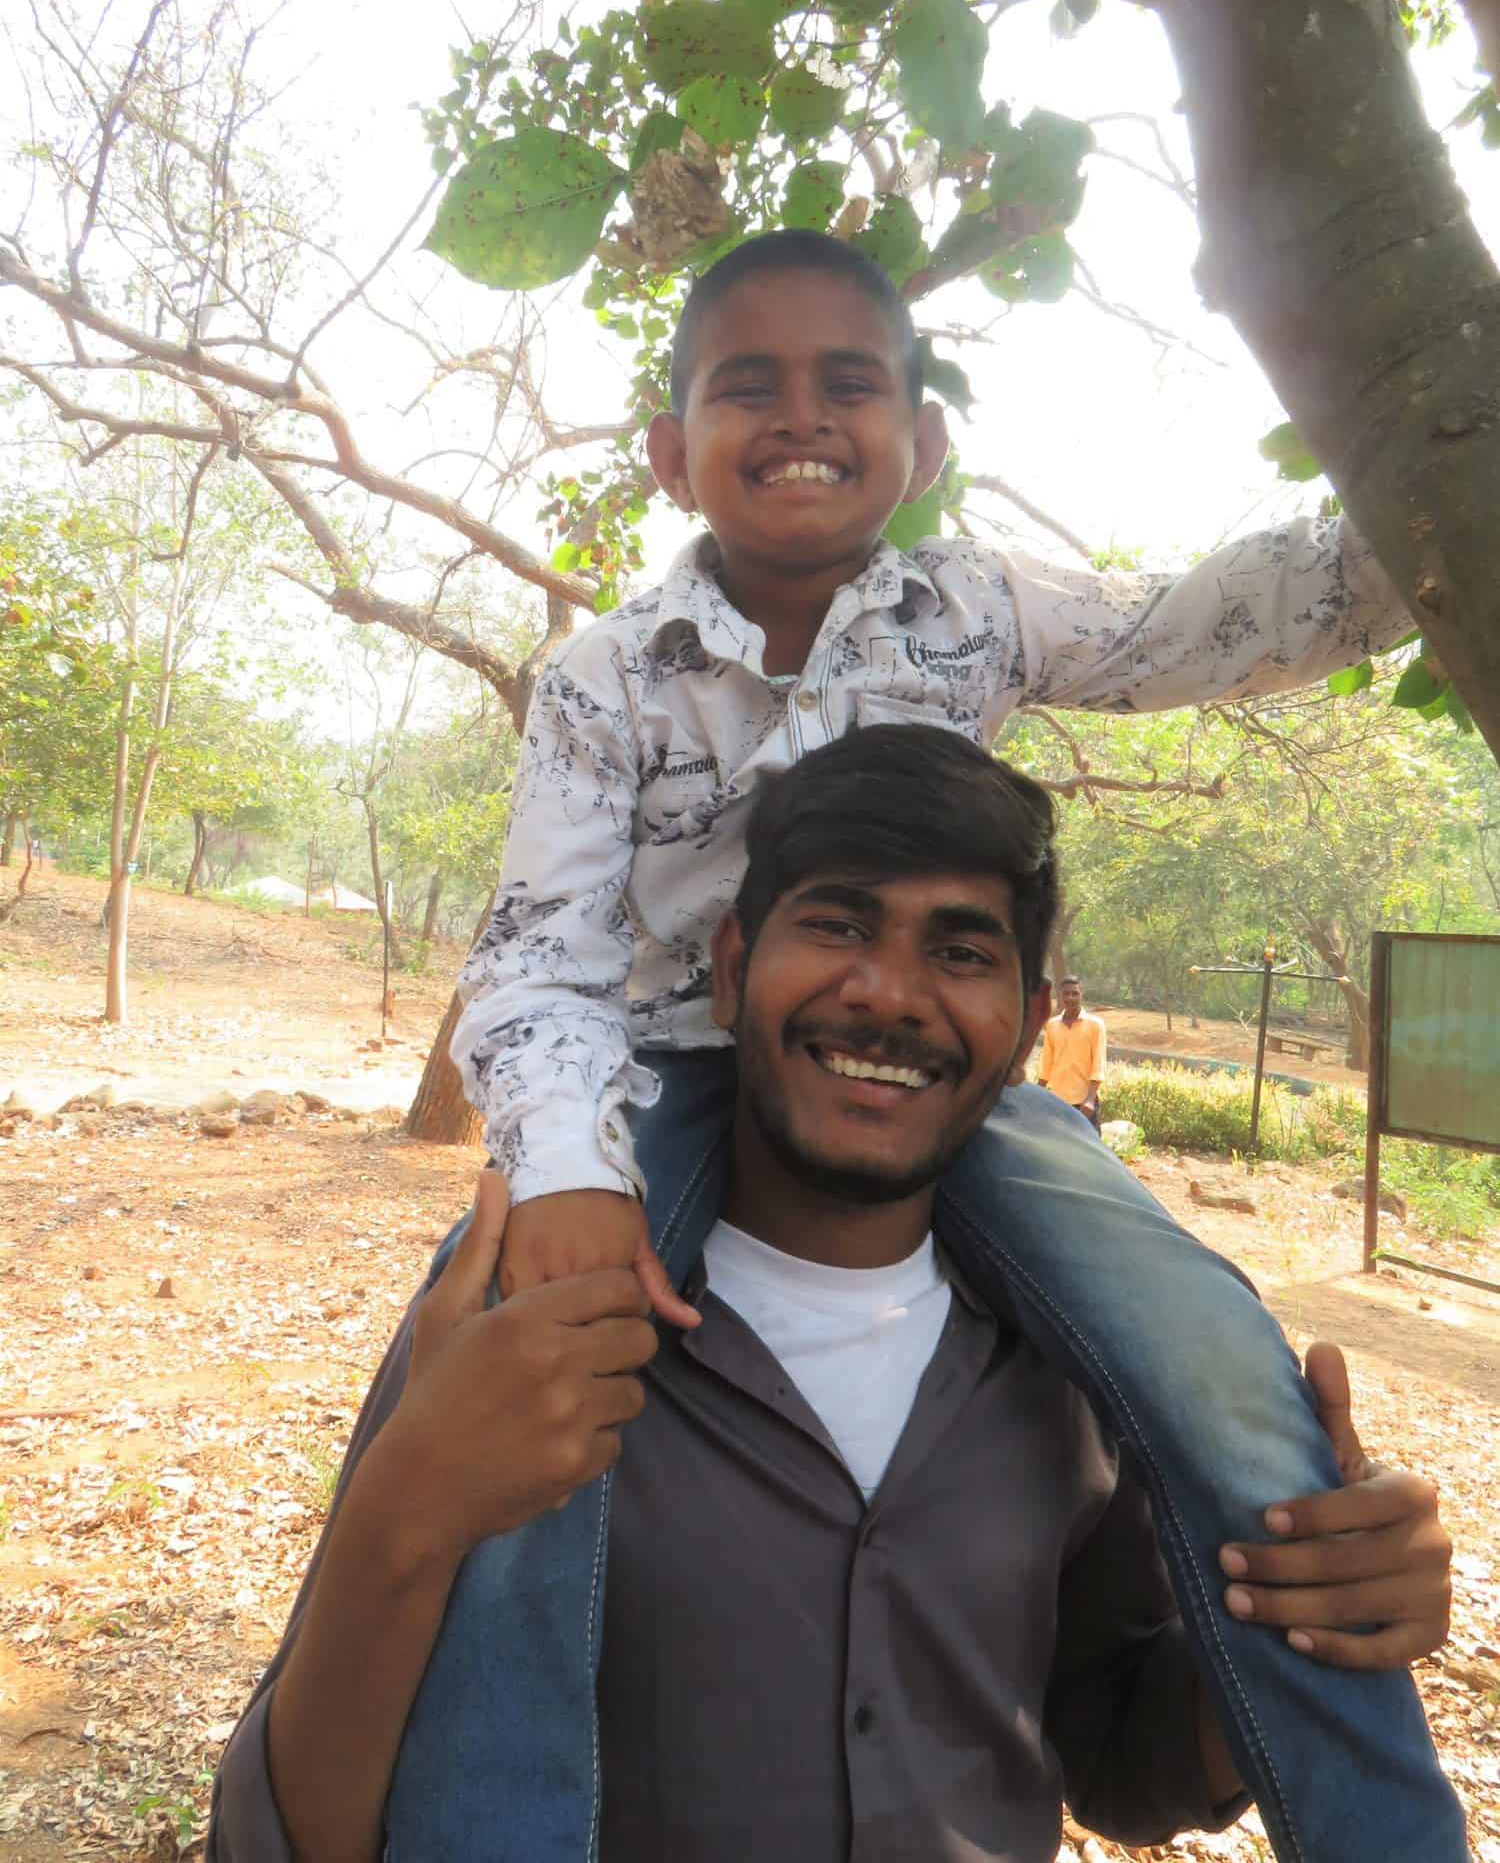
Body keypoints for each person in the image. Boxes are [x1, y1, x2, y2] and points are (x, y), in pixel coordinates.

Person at [430, 231, 1460, 1859]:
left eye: (852, 382)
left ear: (923, 440)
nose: (800, 417)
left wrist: (1429, 502)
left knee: (1224, 1360)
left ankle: (1386, 1827)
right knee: (504, 1413)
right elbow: (537, 954)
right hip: (656, 1094)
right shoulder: (605, 678)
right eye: (742, 385)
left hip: (943, 1095)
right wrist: (562, 1170)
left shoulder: (974, 605)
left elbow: (1203, 624)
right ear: (667, 448)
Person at [208, 728, 1459, 1863]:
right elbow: (291, 1830)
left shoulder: (1081, 1353)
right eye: (838, 924)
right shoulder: (525, 1312)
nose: (889, 992)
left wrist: (1313, 1620)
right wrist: (405, 1510)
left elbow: (1121, 1764)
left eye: (960, 950)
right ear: (732, 964)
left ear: (1026, 1025)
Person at [1038, 975, 1107, 1130]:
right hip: (1057, 1101)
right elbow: (1046, 1064)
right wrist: (1037, 1094)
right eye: (1066, 993)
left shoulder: (1095, 1025)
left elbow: (1098, 1064)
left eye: (1075, 993)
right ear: (1060, 996)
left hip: (1084, 1103)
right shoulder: (1052, 1025)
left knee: (1088, 1150)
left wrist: (1089, 1100)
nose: (1070, 998)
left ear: (1081, 994)